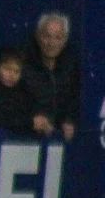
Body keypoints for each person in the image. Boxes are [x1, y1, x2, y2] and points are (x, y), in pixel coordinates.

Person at [22, 12, 79, 142]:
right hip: (27, 140)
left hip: (59, 144)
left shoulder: (72, 68)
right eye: (46, 36)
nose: (51, 43)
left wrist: (69, 121)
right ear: (37, 36)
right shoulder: (22, 65)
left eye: (58, 37)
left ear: (65, 40)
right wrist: (31, 120)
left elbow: (75, 101)